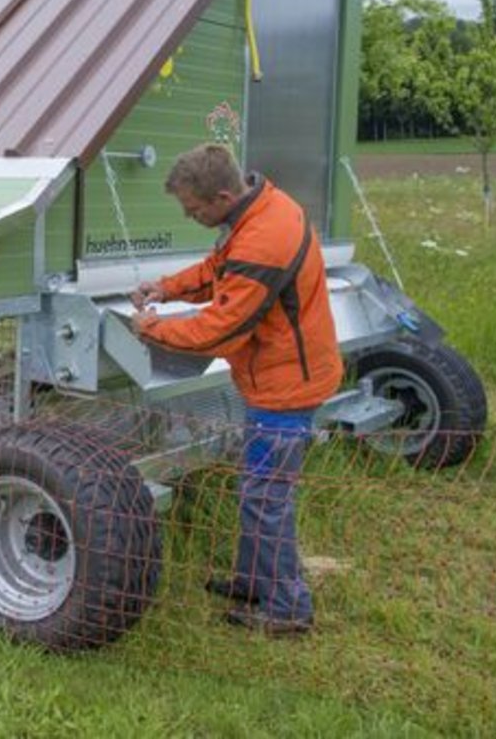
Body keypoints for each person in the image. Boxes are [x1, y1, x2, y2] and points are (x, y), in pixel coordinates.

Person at [129, 143, 342, 636]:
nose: (190, 214)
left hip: (285, 387)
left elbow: (220, 330)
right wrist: (166, 288)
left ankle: (287, 610)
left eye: (195, 208)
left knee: (266, 498)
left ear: (222, 195)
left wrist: (150, 329)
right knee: (258, 491)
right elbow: (219, 271)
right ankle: (254, 581)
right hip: (282, 375)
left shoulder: (263, 238)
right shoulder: (261, 210)